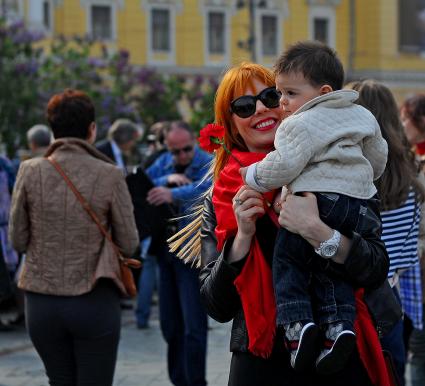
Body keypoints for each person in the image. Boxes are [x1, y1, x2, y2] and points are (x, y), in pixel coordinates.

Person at [181, 62, 393, 386]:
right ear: (232, 126)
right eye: (244, 105)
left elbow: (376, 267)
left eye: (270, 96)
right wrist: (243, 238)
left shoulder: (344, 170)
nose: (261, 108)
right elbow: (217, 305)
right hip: (263, 363)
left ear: (289, 102)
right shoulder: (224, 196)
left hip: (337, 352)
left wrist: (318, 231)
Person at [240, 41, 388, 373]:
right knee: (328, 268)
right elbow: (378, 156)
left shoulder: (296, 125)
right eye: (244, 106)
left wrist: (252, 175)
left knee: (289, 257)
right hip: (358, 201)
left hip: (317, 200)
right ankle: (338, 328)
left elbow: (285, 165)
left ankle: (297, 324)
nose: (279, 104)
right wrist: (362, 178)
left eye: (286, 94)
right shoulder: (362, 114)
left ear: (322, 91)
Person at [8, 89, 139, 385]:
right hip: (94, 298)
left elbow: (17, 240)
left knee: (59, 380)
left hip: (41, 302)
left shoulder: (29, 171)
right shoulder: (110, 174)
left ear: (52, 130)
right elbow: (129, 242)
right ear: (92, 130)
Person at [346, 80, 425, 385]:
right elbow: (409, 251)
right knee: (391, 373)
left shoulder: (351, 173)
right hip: (389, 296)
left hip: (350, 297)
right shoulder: (410, 176)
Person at [146, 120, 212, 386]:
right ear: (167, 147)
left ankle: (195, 381)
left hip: (192, 253)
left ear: (193, 142)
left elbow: (208, 187)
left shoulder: (206, 161)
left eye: (186, 149)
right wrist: (168, 179)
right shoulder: (163, 163)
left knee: (194, 325)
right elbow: (144, 181)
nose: (182, 156)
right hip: (165, 252)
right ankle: (178, 380)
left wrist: (173, 193)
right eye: (175, 152)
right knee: (170, 325)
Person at [401, 93, 425, 386]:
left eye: (407, 118)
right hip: (414, 267)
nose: (402, 124)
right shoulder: (409, 156)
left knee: (418, 349)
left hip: (419, 263)